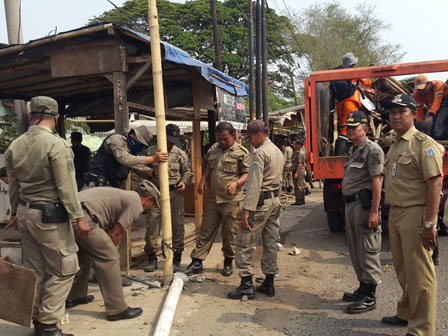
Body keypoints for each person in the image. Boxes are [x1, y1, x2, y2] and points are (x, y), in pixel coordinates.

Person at [5, 96, 90, 336]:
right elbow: (67, 186)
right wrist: (79, 218)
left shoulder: (16, 144)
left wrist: (13, 211)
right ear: (55, 117)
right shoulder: (57, 145)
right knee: (65, 269)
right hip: (48, 217)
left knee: (36, 270)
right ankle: (49, 324)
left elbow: (13, 185)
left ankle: (38, 318)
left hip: (24, 213)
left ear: (31, 115)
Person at [382, 94, 442, 336]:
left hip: (415, 213)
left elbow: (435, 184)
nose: (396, 116)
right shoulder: (396, 143)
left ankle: (422, 329)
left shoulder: (423, 143)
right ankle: (406, 313)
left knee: (420, 274)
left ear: (413, 114)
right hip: (396, 213)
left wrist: (430, 223)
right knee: (404, 269)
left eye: (401, 111)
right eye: (392, 112)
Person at [66, 180, 160, 321]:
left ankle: (75, 296)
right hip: (84, 219)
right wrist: (108, 251)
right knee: (109, 257)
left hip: (69, 216)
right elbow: (115, 234)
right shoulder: (136, 203)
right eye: (152, 205)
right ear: (149, 199)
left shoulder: (123, 195)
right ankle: (117, 309)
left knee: (84, 255)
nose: (148, 209)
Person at [227, 120, 284, 300]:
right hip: (275, 201)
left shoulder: (259, 154)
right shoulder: (277, 151)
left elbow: (254, 184)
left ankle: (246, 286)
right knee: (270, 242)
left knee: (244, 242)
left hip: (260, 204)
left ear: (259, 135)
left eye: (250, 137)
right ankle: (269, 282)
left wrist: (246, 211)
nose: (249, 141)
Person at [185, 122, 249, 277]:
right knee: (205, 231)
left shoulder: (241, 152)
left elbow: (247, 174)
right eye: (219, 139)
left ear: (233, 135)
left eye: (225, 139)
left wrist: (236, 183)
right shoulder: (214, 149)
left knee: (229, 234)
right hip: (214, 199)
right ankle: (197, 261)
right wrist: (203, 180)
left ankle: (228, 261)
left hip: (232, 200)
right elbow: (209, 167)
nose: (222, 142)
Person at [341, 110, 384, 314]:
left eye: (353, 128)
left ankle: (370, 294)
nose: (349, 131)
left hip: (364, 206)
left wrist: (375, 211)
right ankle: (362, 287)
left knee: (368, 249)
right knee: (355, 249)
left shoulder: (372, 150)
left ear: (365, 129)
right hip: (351, 205)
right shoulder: (354, 149)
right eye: (348, 128)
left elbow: (377, 181)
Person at [144, 124, 192, 273]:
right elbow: (139, 170)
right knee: (153, 225)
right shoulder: (152, 153)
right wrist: (153, 172)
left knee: (177, 226)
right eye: (168, 139)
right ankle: (152, 257)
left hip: (174, 194)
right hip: (156, 194)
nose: (171, 143)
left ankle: (175, 258)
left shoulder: (180, 154)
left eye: (173, 140)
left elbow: (188, 173)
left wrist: (184, 182)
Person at [87, 125, 168, 188]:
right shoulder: (116, 139)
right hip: (98, 183)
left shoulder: (131, 151)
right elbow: (125, 159)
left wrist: (154, 172)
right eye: (140, 143)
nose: (140, 146)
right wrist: (153, 158)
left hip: (112, 185)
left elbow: (139, 168)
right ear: (134, 135)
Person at [414, 120, 444, 266]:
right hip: (429, 188)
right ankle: (432, 254)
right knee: (430, 222)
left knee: (431, 222)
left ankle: (433, 254)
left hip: (431, 189)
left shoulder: (431, 146)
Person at [330, 52, 372, 155]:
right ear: (352, 63)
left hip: (340, 104)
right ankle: (338, 157)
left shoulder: (338, 72)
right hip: (350, 103)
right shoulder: (354, 72)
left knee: (343, 127)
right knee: (347, 130)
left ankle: (343, 153)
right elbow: (368, 82)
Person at [413, 74, 448, 139]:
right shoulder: (417, 94)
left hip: (445, 104)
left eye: (422, 88)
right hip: (432, 106)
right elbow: (419, 110)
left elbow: (437, 101)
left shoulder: (438, 85)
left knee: (439, 123)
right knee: (427, 124)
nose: (420, 90)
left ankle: (439, 139)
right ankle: (428, 138)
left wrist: (431, 115)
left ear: (428, 83)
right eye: (418, 89)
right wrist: (420, 125)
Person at [292, 138, 307, 206]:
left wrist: (297, 173)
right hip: (299, 170)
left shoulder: (300, 153)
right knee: (301, 185)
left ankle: (299, 200)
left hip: (299, 171)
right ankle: (302, 199)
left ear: (299, 145)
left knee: (298, 186)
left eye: (295, 144)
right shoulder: (297, 152)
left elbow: (300, 164)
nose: (294, 146)